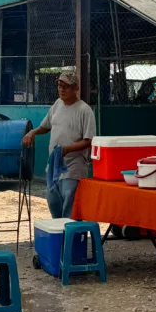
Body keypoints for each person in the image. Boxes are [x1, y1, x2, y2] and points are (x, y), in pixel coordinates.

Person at [22, 71, 95, 219]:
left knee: (70, 207)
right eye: (60, 86)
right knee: (53, 202)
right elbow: (46, 126)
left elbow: (89, 140)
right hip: (54, 166)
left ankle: (69, 238)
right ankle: (59, 236)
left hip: (73, 167)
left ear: (76, 88)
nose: (61, 89)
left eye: (66, 86)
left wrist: (67, 150)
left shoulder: (84, 110)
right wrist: (32, 133)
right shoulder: (57, 105)